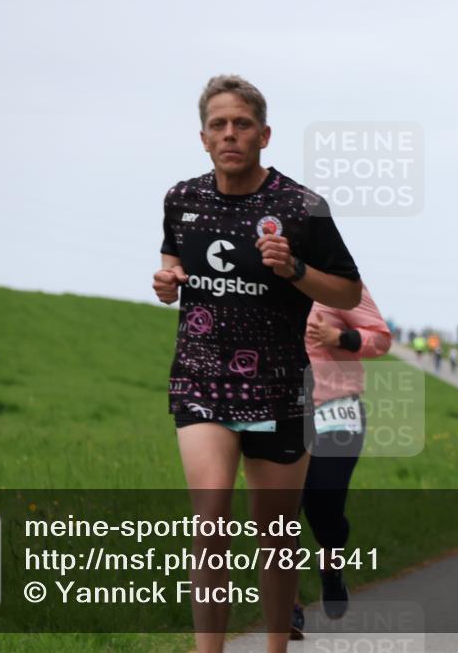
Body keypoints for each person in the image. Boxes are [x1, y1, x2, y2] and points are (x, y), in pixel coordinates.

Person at [152, 75, 362, 653]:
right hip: (201, 379)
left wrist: (295, 270)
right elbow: (174, 255)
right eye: (218, 125)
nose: (230, 134)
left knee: (274, 535)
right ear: (202, 137)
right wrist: (168, 279)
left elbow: (347, 292)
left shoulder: (301, 207)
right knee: (211, 519)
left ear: (264, 134)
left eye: (241, 124)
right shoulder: (182, 198)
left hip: (277, 388)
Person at [290, 284, 392, 639]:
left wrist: (342, 337)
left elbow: (380, 339)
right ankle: (288, 604)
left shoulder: (341, 283)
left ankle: (331, 565)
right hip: (284, 413)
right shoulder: (264, 281)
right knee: (285, 508)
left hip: (338, 409)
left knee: (325, 503)